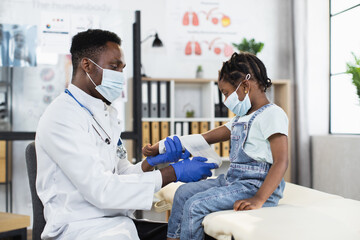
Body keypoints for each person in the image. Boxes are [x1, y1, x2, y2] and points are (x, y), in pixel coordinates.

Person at [35, 29, 218, 240]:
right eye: (114, 67)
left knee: (198, 234)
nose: (120, 76)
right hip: (81, 229)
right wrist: (173, 173)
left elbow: (119, 175)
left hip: (115, 223)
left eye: (122, 68)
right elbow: (101, 190)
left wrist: (149, 164)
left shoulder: (105, 113)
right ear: (86, 65)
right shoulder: (62, 117)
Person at [143, 52, 289, 240]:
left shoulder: (272, 114)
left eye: (226, 93)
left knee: (195, 205)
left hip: (256, 186)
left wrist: (259, 199)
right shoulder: (241, 119)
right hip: (234, 180)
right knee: (182, 193)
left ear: (245, 85)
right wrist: (160, 147)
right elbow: (205, 138)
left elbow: (281, 161)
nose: (225, 100)